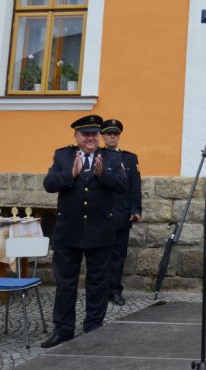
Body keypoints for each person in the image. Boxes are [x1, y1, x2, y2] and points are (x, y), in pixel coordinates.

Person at [41, 115, 127, 348]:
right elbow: (49, 184)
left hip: (100, 232)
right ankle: (63, 329)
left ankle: (93, 326)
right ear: (76, 136)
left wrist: (103, 174)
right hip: (68, 232)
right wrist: (71, 174)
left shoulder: (112, 156)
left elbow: (123, 186)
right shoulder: (63, 156)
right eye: (85, 134)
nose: (90, 138)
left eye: (93, 134)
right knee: (65, 284)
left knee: (98, 282)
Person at [100, 119, 142, 307]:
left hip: (121, 213)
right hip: (100, 214)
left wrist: (136, 209)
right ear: (102, 136)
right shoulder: (96, 156)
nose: (112, 137)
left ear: (119, 136)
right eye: (108, 133)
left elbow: (135, 186)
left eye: (115, 134)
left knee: (118, 255)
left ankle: (115, 290)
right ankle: (100, 290)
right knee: (100, 254)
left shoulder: (129, 158)